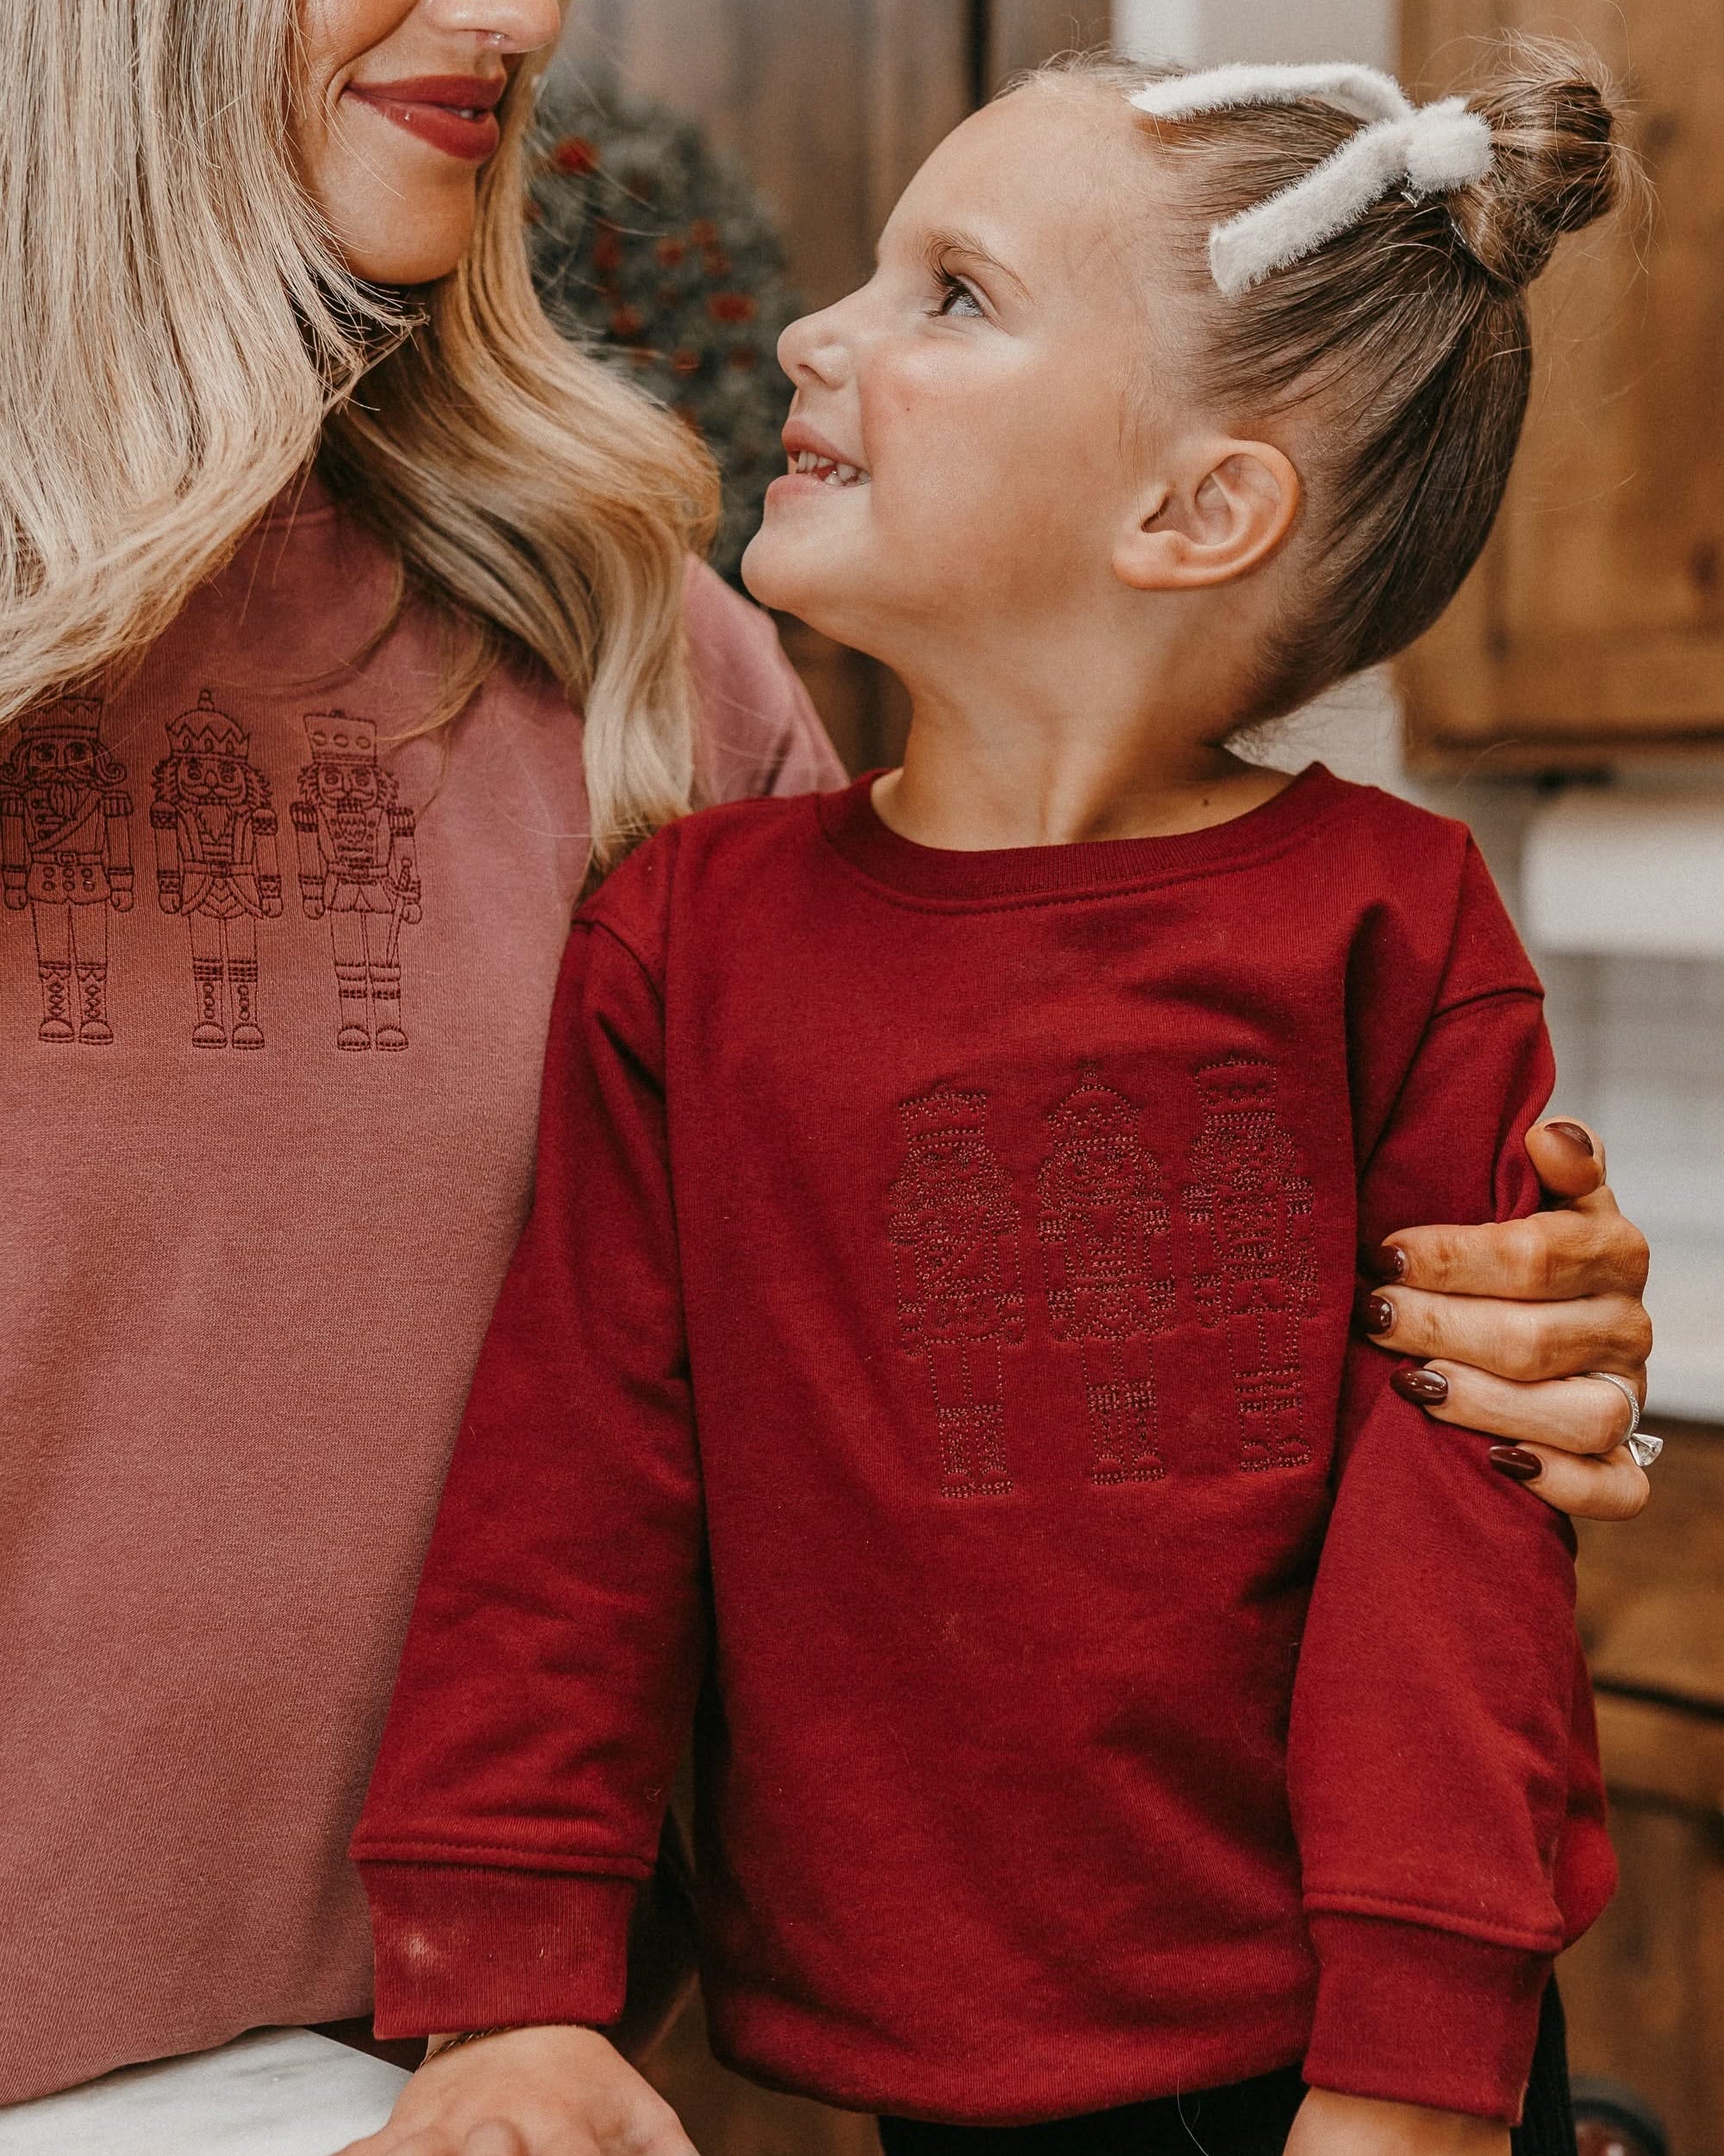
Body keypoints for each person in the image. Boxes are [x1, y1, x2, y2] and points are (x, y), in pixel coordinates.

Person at [0, 0, 1647, 2117]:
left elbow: (1446, 1536)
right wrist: (508, 1970)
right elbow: (586, 1477)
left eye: (949, 295)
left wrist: (1515, 1352)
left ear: (1199, 507)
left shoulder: (643, 671)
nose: (520, 14)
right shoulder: (711, 937)